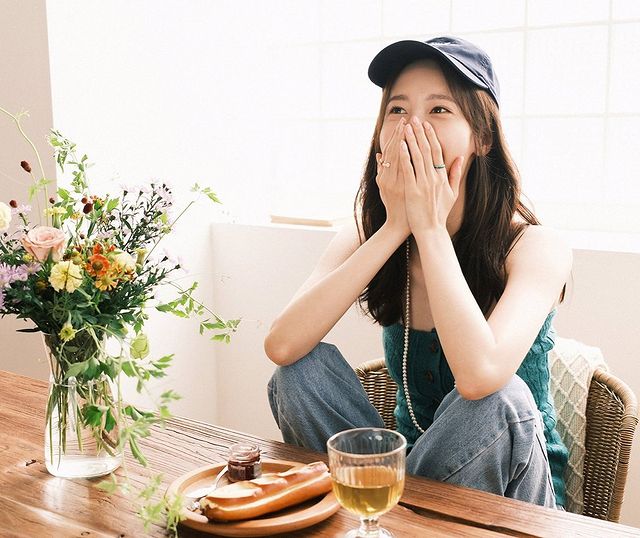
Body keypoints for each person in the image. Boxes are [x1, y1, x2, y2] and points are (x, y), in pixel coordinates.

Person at [264, 35, 571, 510]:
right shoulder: (366, 232)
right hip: (408, 471)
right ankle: (388, 517)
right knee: (298, 373)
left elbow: (481, 379)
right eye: (398, 110)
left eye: (439, 110)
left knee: (499, 398)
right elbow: (282, 346)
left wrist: (429, 228)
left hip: (513, 495)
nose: (413, 127)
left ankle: (382, 519)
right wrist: (394, 228)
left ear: (482, 138)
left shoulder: (535, 246)